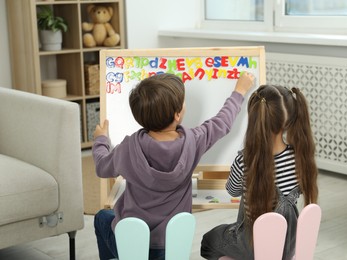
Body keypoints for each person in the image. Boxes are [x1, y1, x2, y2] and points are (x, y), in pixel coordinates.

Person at [92, 72, 255, 260]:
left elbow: (102, 167)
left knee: (102, 217)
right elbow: (222, 122)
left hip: (131, 245)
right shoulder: (193, 141)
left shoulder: (127, 149)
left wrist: (101, 140)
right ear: (177, 114)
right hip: (173, 248)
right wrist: (239, 91)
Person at [200, 85, 319, 260]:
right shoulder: (300, 158)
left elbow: (232, 190)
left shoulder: (246, 161)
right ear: (289, 120)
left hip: (252, 245)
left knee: (208, 241)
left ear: (256, 118)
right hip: (289, 243)